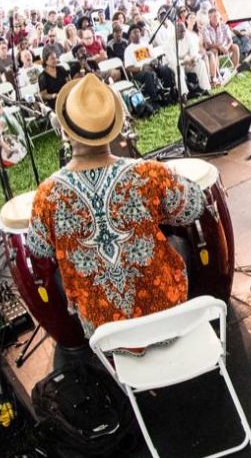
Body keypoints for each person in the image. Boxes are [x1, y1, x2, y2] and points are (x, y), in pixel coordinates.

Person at [26, 74, 206, 337]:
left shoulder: (47, 194)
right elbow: (194, 206)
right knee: (179, 245)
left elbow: (38, 246)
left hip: (107, 333)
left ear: (65, 132)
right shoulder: (148, 174)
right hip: (166, 318)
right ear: (115, 127)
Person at [201, 7, 241, 85]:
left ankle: (234, 71)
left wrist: (227, 47)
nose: (216, 18)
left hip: (224, 47)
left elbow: (230, 40)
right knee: (214, 51)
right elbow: (208, 44)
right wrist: (219, 47)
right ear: (209, 17)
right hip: (213, 48)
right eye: (214, 16)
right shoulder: (205, 28)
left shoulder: (224, 25)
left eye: (217, 16)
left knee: (235, 47)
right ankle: (218, 76)